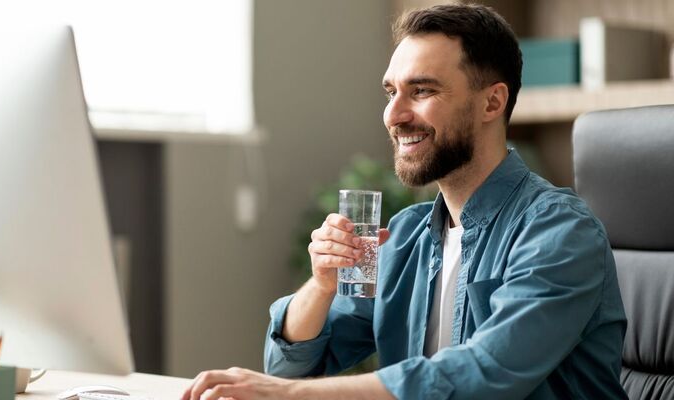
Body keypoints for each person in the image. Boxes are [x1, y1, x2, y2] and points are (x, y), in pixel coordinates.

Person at [182, 4, 628, 399]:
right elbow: (290, 365)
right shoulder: (405, 236)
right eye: (390, 91)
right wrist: (321, 286)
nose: (393, 115)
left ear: (492, 102)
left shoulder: (560, 231)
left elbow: (484, 375)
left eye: (422, 91)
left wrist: (286, 395)